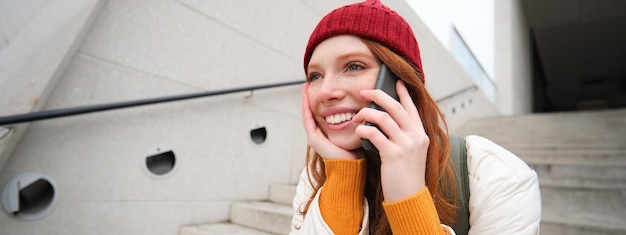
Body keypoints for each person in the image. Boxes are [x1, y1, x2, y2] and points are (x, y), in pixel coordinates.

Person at [290, 0, 542, 234]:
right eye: (315, 76)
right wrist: (343, 176)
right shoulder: (314, 177)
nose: (325, 92)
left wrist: (407, 196)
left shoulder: (499, 178)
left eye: (354, 66)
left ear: (401, 81)